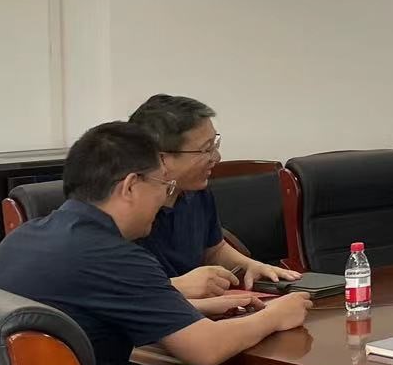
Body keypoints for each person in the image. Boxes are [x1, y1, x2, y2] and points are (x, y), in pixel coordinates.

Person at [0, 121, 317, 365]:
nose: (166, 200)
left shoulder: (27, 236)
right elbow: (206, 349)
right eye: (164, 185)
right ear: (130, 186)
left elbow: (86, 313)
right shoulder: (114, 254)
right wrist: (275, 315)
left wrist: (191, 308)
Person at [127, 93, 301, 294]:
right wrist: (178, 286)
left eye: (215, 144)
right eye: (206, 149)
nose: (217, 157)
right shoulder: (126, 211)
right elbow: (121, 290)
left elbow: (214, 250)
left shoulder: (197, 192)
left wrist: (252, 266)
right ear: (162, 158)